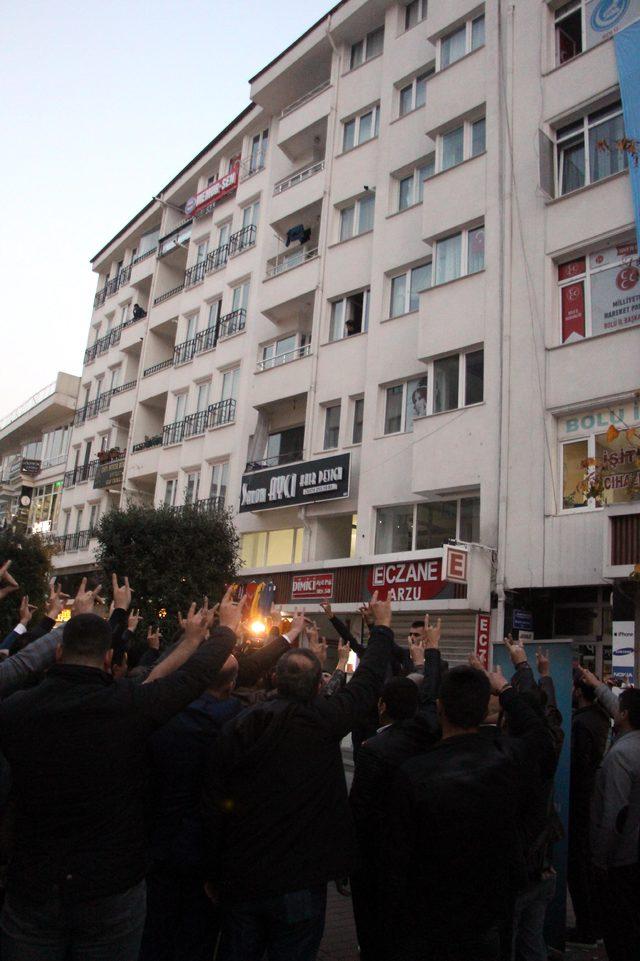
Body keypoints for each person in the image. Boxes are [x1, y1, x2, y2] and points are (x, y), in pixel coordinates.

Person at [0, 578, 242, 961]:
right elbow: (188, 679)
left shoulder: (15, 711)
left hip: (33, 882)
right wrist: (223, 632)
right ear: (110, 660)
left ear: (59, 653)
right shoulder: (130, 706)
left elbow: (19, 664)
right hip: (111, 885)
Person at [202, 592, 395, 961]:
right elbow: (367, 683)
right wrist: (382, 629)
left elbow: (215, 804)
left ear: (275, 677)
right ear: (319, 687)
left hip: (242, 874)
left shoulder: (237, 724)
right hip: (300, 881)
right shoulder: (324, 721)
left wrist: (213, 869)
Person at [385, 663, 554, 961]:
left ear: (440, 707)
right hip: (491, 908)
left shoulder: (413, 774)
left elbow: (396, 857)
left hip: (431, 913)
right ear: (485, 711)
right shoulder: (509, 758)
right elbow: (540, 732)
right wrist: (505, 689)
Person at [140, 655, 243, 961]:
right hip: (211, 852)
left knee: (155, 932)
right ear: (232, 685)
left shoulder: (164, 719)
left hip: (161, 844)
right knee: (197, 939)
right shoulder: (242, 726)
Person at [350, 624, 444, 961]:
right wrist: (431, 652)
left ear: (382, 706)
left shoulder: (374, 749)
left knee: (376, 932)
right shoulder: (431, 737)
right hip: (419, 854)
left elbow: (359, 810)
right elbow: (431, 698)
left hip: (379, 858)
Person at [579, 671, 640, 961]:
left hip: (622, 861)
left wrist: (599, 859)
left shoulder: (621, 756)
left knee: (620, 932)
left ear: (624, 714)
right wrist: (597, 685)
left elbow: (613, 815)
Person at [567, 669, 610, 947]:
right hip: (593, 801)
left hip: (581, 802)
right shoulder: (601, 718)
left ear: (579, 692)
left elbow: (578, 768)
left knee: (578, 866)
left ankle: (587, 927)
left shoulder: (580, 724)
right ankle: (594, 924)